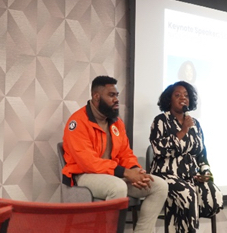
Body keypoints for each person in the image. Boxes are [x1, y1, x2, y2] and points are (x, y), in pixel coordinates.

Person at [62, 75, 168, 233]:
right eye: (111, 95)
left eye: (117, 95)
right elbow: (88, 162)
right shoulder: (77, 122)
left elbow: (125, 153)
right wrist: (125, 173)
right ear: (96, 97)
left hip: (113, 174)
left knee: (159, 185)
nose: (116, 99)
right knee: (117, 187)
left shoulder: (116, 122)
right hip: (84, 175)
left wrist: (136, 170)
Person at [149, 81, 223, 232]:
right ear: (169, 99)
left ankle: (184, 224)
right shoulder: (160, 120)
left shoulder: (195, 124)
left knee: (213, 195)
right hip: (165, 174)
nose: (183, 98)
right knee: (187, 194)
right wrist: (183, 131)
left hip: (190, 175)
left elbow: (201, 153)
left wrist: (206, 173)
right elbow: (158, 149)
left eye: (186, 95)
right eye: (178, 95)